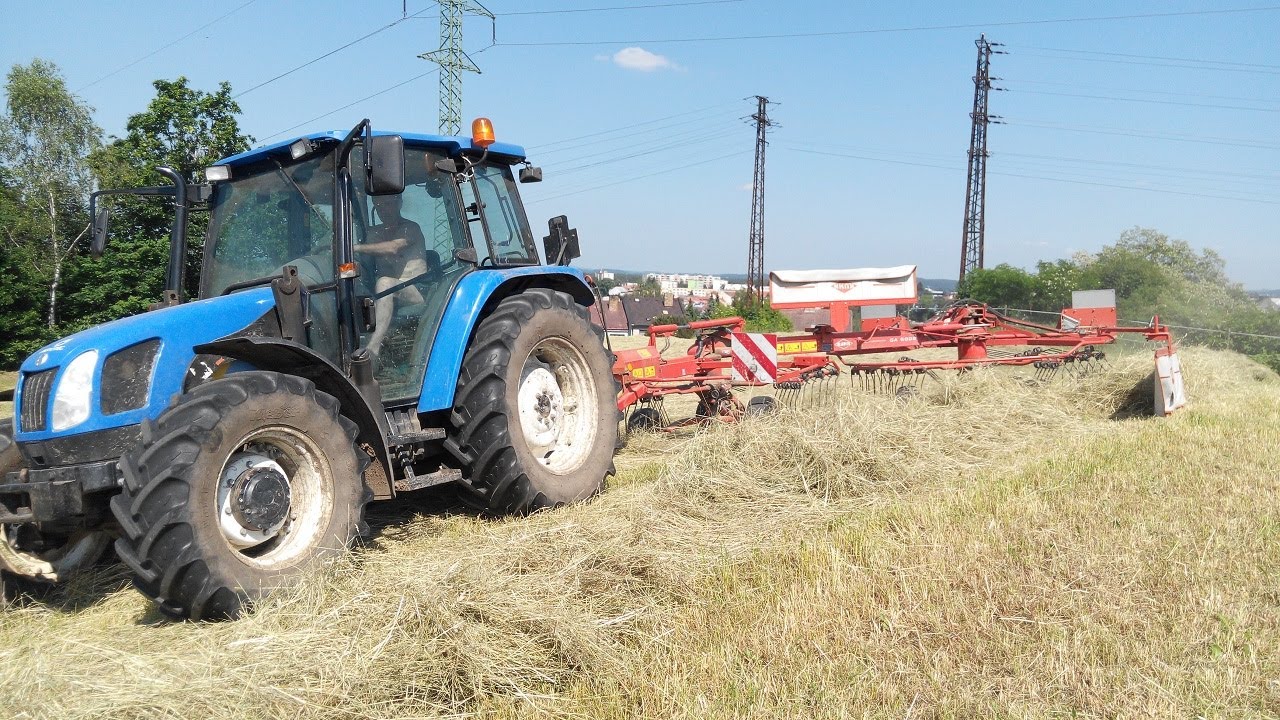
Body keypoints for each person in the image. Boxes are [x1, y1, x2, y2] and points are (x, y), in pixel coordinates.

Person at [356, 193, 429, 356]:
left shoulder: (410, 228)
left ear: (399, 204)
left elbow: (392, 248)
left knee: (384, 283)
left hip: (415, 289)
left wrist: (355, 248)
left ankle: (373, 349)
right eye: (379, 206)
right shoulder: (373, 233)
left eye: (388, 204)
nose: (384, 209)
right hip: (387, 294)